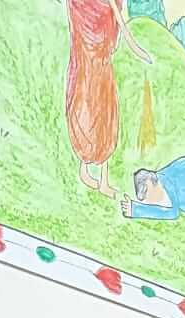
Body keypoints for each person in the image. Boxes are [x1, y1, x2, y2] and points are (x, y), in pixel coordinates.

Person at [65, 0, 151, 199]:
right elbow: (121, 27)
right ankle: (89, 173)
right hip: (89, 58)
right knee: (94, 109)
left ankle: (99, 176)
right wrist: (139, 51)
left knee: (99, 110)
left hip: (94, 59)